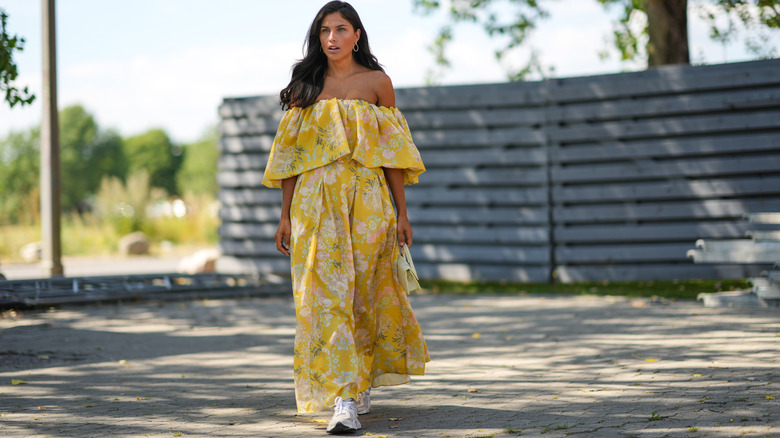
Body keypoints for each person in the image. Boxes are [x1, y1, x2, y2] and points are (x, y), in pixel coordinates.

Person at [261, 1, 430, 434]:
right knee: (323, 296)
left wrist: (402, 213)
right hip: (314, 203)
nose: (331, 38)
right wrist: (284, 216)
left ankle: (358, 380)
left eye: (340, 29)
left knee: (365, 294)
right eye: (324, 30)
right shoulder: (305, 86)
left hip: (368, 202)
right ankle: (344, 399)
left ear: (357, 35)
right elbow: (291, 158)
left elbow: (392, 154)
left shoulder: (377, 83)